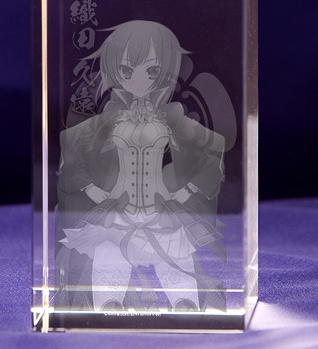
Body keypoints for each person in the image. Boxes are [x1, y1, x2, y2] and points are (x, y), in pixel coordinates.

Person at [56, 20, 227, 312]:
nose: (139, 80)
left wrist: (189, 190)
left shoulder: (171, 117)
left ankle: (185, 302)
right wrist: (90, 188)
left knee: (175, 252)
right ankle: (108, 304)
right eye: (126, 70)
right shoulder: (106, 120)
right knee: (109, 251)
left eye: (152, 71)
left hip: (161, 207)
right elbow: (71, 149)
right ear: (114, 70)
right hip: (117, 207)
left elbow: (213, 149)